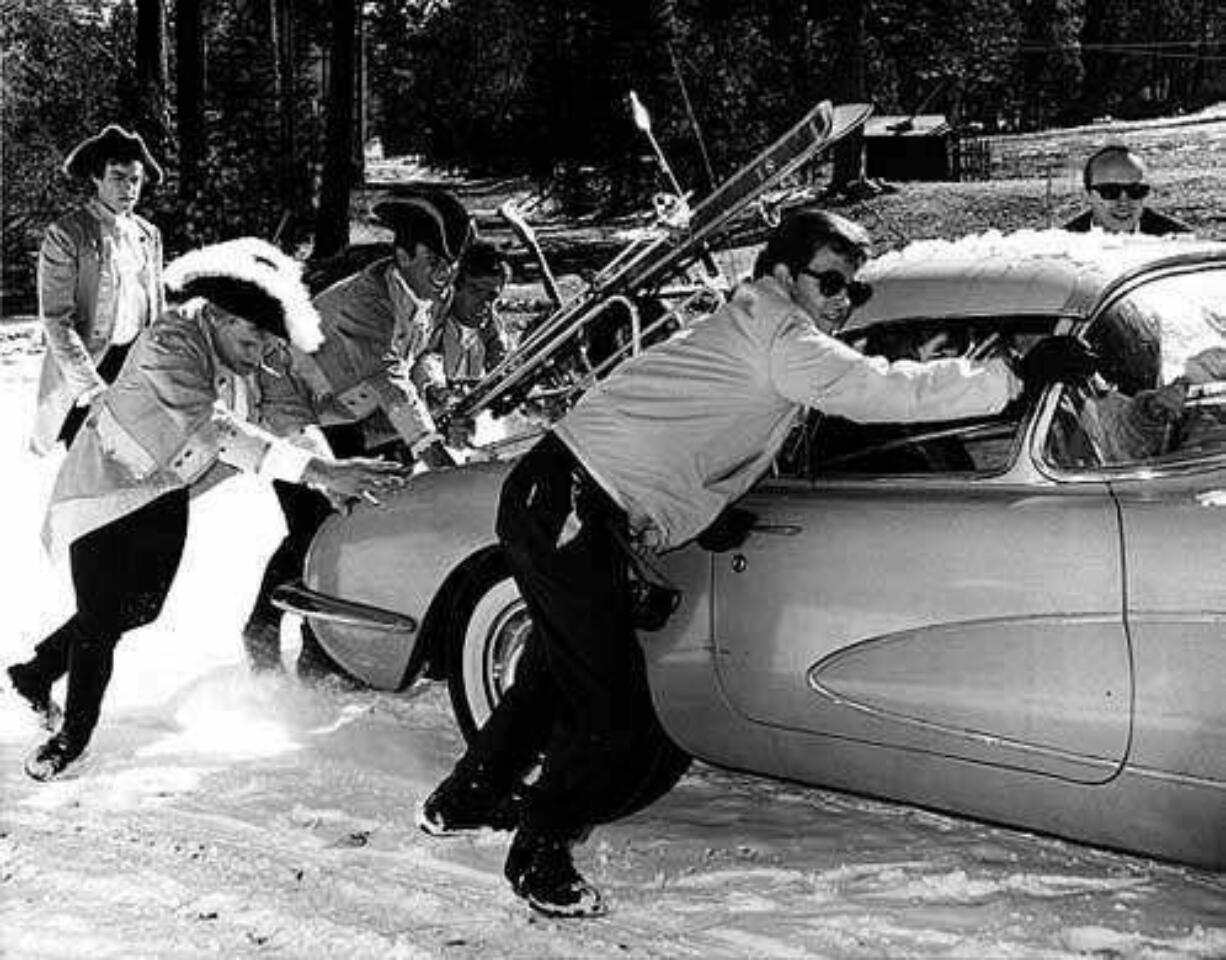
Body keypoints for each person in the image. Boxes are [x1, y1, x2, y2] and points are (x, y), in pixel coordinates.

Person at [416, 209, 1099, 918]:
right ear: (781, 273)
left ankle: (465, 798)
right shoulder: (783, 336)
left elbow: (699, 434)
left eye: (853, 291)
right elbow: (882, 390)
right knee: (616, 715)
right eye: (830, 282)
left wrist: (702, 511)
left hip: (568, 495)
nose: (841, 301)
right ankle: (539, 853)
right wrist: (1009, 378)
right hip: (570, 503)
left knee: (556, 672)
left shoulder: (756, 323)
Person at [5, 238, 408, 782]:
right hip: (102, 490)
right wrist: (321, 473)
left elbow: (288, 417)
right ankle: (71, 739)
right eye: (251, 332)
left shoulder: (251, 354)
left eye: (269, 334)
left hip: (166, 491)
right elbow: (216, 430)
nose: (261, 346)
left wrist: (327, 480)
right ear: (217, 315)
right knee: (101, 618)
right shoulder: (170, 341)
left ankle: (36, 671)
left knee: (140, 609)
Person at [241, 188, 474, 676]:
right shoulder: (369, 297)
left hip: (351, 412)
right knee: (316, 527)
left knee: (353, 525)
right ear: (404, 254)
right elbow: (389, 373)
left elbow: (421, 355)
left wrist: (436, 391)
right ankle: (268, 630)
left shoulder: (435, 292)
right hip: (293, 405)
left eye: (451, 263)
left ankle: (319, 646)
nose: (444, 273)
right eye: (434, 260)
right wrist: (430, 446)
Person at [31, 124, 165, 455]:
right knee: (87, 468)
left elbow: (156, 310)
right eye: (118, 177)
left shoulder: (149, 235)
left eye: (135, 180)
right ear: (96, 178)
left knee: (137, 467)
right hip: (87, 366)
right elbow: (56, 319)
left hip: (135, 367)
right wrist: (89, 385)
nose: (129, 188)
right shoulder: (67, 234)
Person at [1062, 145, 1192, 236]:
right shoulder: (1063, 246)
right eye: (1110, 191)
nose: (1124, 202)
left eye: (1135, 191)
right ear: (1088, 195)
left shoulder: (1176, 242)